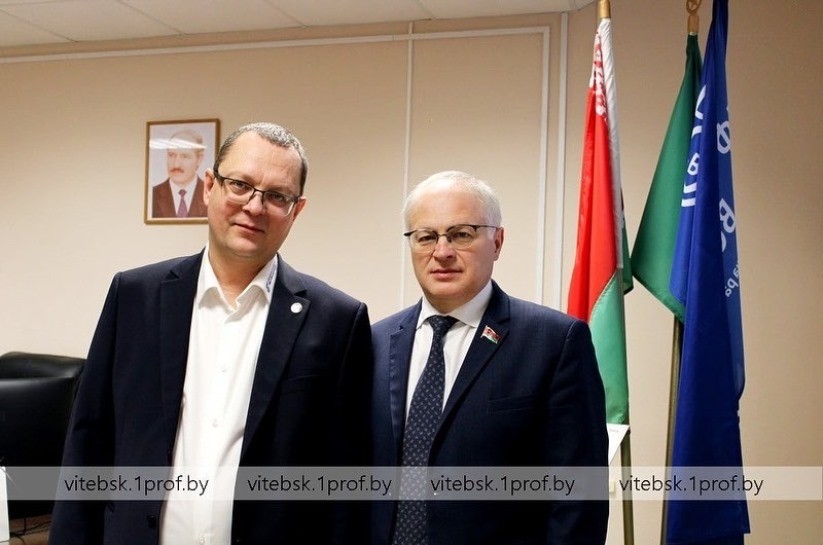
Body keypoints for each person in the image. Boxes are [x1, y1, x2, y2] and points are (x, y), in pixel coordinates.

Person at [50, 122, 372, 545]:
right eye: (240, 185)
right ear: (209, 187)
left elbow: (344, 482)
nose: (254, 207)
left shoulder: (337, 321)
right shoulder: (134, 296)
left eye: (277, 196)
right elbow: (89, 441)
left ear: (296, 210)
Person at [371, 171, 608, 545]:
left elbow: (579, 497)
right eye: (426, 236)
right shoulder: (375, 342)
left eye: (461, 234)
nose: (442, 252)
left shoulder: (554, 342)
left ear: (497, 242)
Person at [151, 128, 209, 218]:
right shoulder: (153, 195)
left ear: (199, 159)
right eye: (171, 155)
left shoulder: (211, 195)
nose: (176, 164)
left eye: (185, 156)